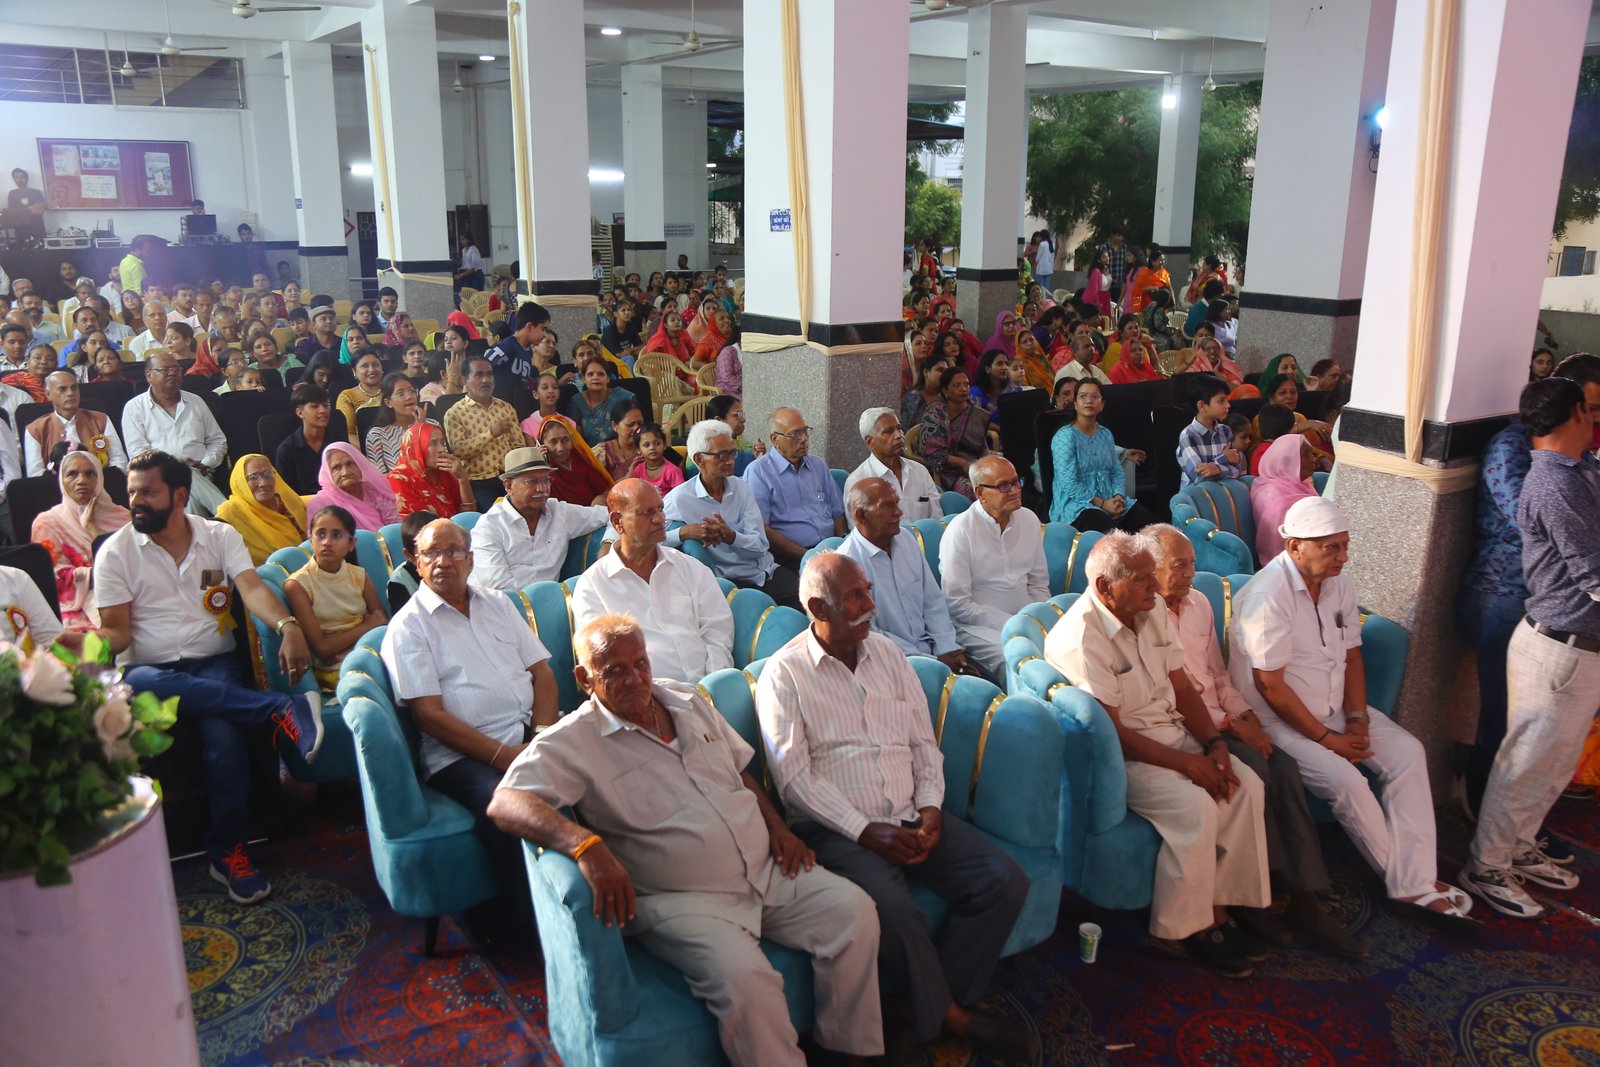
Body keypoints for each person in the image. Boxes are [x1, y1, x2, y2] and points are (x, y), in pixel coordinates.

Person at [489, 613, 884, 1067]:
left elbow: (738, 771)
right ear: (584, 678)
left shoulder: (685, 699)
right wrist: (584, 844)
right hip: (684, 901)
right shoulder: (573, 741)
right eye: (614, 670)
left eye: (640, 663)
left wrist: (777, 827)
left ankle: (847, 1053)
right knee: (748, 982)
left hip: (765, 869)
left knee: (855, 913)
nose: (634, 679)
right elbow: (506, 802)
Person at [757, 553, 1033, 1062]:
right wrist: (865, 831)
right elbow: (794, 781)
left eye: (868, 590)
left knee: (1004, 880)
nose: (872, 604)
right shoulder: (784, 674)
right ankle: (954, 1019)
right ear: (818, 607)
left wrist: (930, 809)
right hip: (837, 832)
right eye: (856, 596)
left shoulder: (886, 654)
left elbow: (923, 743)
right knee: (895, 913)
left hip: (910, 813)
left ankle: (922, 1005)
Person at [1228, 497, 1475, 925]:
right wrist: (1329, 741)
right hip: (1277, 721)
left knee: (1408, 753)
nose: (1343, 557)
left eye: (1345, 546)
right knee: (1348, 782)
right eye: (1332, 547)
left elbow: (1352, 655)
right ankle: (1407, 885)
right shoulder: (1269, 595)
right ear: (1295, 547)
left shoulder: (1338, 584)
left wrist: (1358, 719)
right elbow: (1271, 687)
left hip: (1336, 708)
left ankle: (1416, 877)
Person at [96, 450, 324, 903]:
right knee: (140, 681)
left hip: (212, 660)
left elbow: (252, 589)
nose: (135, 501)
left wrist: (288, 626)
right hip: (149, 671)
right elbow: (117, 632)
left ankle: (229, 851)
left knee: (225, 736)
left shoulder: (219, 535)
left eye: (148, 492)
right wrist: (88, 644)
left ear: (179, 496)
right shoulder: (115, 553)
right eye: (132, 492)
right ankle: (278, 709)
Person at [1046, 532, 1271, 976]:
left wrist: (1215, 745)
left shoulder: (1149, 612)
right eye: (1142, 579)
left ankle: (1222, 908)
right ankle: (1192, 928)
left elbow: (1182, 686)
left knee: (1246, 785)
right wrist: (1190, 765)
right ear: (1106, 587)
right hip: (1123, 757)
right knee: (1196, 807)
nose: (1155, 587)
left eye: (1154, 575)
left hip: (1173, 733)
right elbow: (1112, 733)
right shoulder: (1081, 637)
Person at [1145, 525, 1365, 957]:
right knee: (1259, 770)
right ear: (1151, 569)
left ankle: (1301, 900)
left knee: (1283, 765)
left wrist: (1242, 713)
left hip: (1222, 716)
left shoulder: (1198, 604)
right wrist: (1227, 722)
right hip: (1186, 725)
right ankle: (1255, 901)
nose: (1190, 573)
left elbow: (1217, 674)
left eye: (1192, 563)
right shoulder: (1144, 613)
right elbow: (1168, 694)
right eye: (1179, 566)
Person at [1460, 377, 1598, 918]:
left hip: (1580, 646)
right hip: (1557, 646)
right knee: (1524, 764)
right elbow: (1592, 573)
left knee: (1553, 765)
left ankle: (1517, 846)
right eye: (1592, 408)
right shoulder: (1552, 482)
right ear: (1575, 413)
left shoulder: (1579, 471)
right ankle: (1486, 864)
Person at [382, 518, 559, 914]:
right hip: (462, 757)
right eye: (431, 553)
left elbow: (542, 673)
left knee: (603, 758)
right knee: (509, 805)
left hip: (528, 734)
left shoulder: (498, 603)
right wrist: (504, 756)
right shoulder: (407, 628)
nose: (443, 561)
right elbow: (428, 716)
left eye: (453, 551)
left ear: (470, 560)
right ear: (415, 562)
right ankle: (529, 920)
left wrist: (540, 735)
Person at [572, 479, 734, 683]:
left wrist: (712, 686)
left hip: (706, 689)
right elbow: (601, 659)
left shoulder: (690, 568)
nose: (659, 519)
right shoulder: (593, 586)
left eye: (660, 509)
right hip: (642, 695)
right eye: (646, 513)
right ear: (617, 521)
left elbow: (718, 630)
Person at [663, 419, 799, 609]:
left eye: (733, 453)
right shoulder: (680, 498)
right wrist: (683, 533)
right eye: (722, 455)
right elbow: (645, 540)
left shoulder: (741, 488)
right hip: (728, 583)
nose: (731, 461)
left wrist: (730, 537)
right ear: (700, 459)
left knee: (815, 601)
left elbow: (761, 545)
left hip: (764, 572)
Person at [837, 478, 965, 670]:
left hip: (935, 652)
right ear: (861, 515)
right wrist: (932, 662)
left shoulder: (906, 539)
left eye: (896, 503)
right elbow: (869, 634)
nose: (898, 512)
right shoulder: (847, 564)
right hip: (891, 664)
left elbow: (933, 601)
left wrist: (947, 648)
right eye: (887, 506)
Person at [939, 455, 1048, 676]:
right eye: (1004, 486)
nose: (1015, 491)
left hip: (1026, 618)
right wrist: (1013, 623)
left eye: (1016, 482)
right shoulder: (960, 531)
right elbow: (958, 604)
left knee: (1067, 649)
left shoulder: (1029, 519)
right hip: (977, 627)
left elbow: (1039, 584)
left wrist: (1036, 620)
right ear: (980, 493)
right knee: (1018, 661)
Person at [468, 446, 607, 589]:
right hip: (500, 602)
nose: (542, 488)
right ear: (508, 486)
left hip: (549, 599)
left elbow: (610, 516)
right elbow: (497, 587)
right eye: (532, 481)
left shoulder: (560, 512)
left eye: (546, 480)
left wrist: (608, 542)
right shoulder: (489, 526)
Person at [283, 505, 388, 690]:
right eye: (320, 534)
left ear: (351, 543)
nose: (327, 542)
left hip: (366, 650)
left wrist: (351, 650)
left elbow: (382, 621)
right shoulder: (298, 584)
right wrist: (367, 626)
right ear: (311, 540)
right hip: (334, 666)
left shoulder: (359, 575)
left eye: (337, 535)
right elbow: (321, 648)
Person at [31, 449, 131, 630]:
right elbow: (52, 578)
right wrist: (104, 574)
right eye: (72, 474)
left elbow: (139, 563)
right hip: (79, 604)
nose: (82, 481)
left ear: (99, 478)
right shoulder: (48, 523)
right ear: (62, 480)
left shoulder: (124, 517)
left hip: (131, 593)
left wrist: (93, 528)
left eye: (90, 473)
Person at [122, 353, 229, 515]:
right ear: (149, 376)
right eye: (165, 369)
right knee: (184, 473)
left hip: (202, 474)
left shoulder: (196, 402)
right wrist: (173, 468)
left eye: (176, 369)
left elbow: (218, 440)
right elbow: (137, 453)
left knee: (189, 500)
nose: (172, 373)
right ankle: (230, 513)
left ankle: (223, 517)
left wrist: (206, 463)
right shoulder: (134, 408)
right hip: (159, 479)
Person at [744, 407, 847, 570]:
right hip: (791, 557)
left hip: (831, 552)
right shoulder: (759, 472)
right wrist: (808, 556)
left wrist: (843, 544)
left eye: (805, 431)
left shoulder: (817, 465)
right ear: (775, 439)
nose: (804, 439)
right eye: (794, 434)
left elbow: (837, 513)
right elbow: (762, 529)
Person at [1049, 379, 1154, 531]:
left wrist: (1118, 497)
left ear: (1102, 404)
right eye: (1083, 396)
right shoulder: (1065, 436)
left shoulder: (1105, 434)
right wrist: (1103, 504)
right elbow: (1068, 483)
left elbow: (1116, 472)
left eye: (1095, 396)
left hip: (1109, 498)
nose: (1089, 401)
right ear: (1075, 403)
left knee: (1154, 528)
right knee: (1115, 537)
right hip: (1077, 504)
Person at [443, 356, 526, 512]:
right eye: (479, 375)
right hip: (479, 481)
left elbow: (518, 445)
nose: (486, 380)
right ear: (464, 380)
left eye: (489, 374)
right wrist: (491, 434)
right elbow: (460, 451)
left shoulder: (506, 408)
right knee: (498, 514)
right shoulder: (454, 413)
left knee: (529, 507)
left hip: (509, 476)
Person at [843, 408, 943, 527]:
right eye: (888, 432)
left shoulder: (919, 471)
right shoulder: (858, 481)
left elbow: (937, 520)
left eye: (899, 428)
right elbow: (860, 531)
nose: (899, 435)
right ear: (870, 442)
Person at [24, 370, 128, 477]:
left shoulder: (101, 419)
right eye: (62, 389)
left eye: (74, 388)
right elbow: (35, 474)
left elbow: (119, 459)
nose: (70, 393)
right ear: (48, 394)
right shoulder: (35, 429)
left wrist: (103, 479)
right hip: (54, 486)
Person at [918, 366, 991, 499]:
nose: (964, 389)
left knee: (1000, 480)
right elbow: (933, 452)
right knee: (974, 489)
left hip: (974, 466)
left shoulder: (974, 412)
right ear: (945, 390)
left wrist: (987, 465)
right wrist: (963, 463)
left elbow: (982, 445)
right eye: (957, 385)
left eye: (966, 384)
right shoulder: (935, 415)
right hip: (946, 471)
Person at [1249, 434, 1318, 563]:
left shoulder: (1301, 486)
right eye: (1306, 455)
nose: (1313, 460)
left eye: (1312, 454)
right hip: (1286, 563)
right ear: (1288, 460)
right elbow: (1280, 542)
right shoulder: (1274, 494)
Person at [305, 442, 401, 534]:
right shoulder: (320, 503)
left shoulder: (375, 490)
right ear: (328, 473)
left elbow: (396, 527)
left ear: (360, 465)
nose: (345, 472)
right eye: (337, 468)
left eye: (350, 464)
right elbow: (319, 539)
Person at [387, 421, 473, 520]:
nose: (441, 449)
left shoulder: (444, 473)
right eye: (433, 443)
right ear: (415, 446)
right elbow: (414, 525)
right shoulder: (398, 479)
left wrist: (463, 479)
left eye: (442, 443)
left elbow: (469, 517)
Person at [1175, 374, 1244, 490]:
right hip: (1197, 495)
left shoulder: (1225, 431)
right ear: (1202, 406)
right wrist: (1223, 459)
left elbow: (1237, 471)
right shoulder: (1188, 435)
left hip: (1222, 491)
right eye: (1221, 401)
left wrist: (1216, 469)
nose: (1228, 405)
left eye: (1227, 400)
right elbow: (1198, 478)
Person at [527, 413, 611, 506]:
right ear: (542, 444)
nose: (560, 448)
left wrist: (598, 501)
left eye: (565, 440)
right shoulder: (544, 469)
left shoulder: (581, 459)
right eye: (553, 442)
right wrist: (537, 463)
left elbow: (605, 491)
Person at [274, 383, 336, 497]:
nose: (323, 410)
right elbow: (286, 492)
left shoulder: (338, 443)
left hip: (337, 501)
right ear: (300, 413)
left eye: (326, 405)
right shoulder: (287, 450)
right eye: (315, 406)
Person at [486, 301, 550, 401]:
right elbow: (483, 366)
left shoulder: (527, 351)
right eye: (543, 329)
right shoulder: (507, 346)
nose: (545, 334)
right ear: (529, 327)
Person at [363, 373, 423, 474]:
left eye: (412, 391)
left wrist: (423, 430)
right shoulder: (377, 435)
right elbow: (380, 477)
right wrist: (415, 435)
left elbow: (442, 464)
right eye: (401, 394)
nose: (409, 397)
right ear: (388, 402)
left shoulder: (432, 425)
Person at [336, 351, 385, 447]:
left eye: (376, 365)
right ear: (354, 371)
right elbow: (348, 433)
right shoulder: (347, 396)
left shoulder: (393, 390)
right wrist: (370, 450)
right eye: (364, 366)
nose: (371, 369)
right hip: (362, 449)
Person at [596, 398, 645, 483]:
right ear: (614, 426)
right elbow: (595, 488)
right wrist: (628, 476)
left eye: (640, 424)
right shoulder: (602, 453)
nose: (637, 429)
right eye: (630, 424)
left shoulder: (649, 449)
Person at [629, 422, 683, 495]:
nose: (652, 448)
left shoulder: (672, 471)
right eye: (646, 445)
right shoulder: (638, 471)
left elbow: (681, 495)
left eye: (657, 443)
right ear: (638, 449)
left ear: (664, 444)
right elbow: (634, 493)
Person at [454, 232, 486, 298]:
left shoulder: (473, 249)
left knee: (476, 296)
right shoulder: (463, 250)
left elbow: (473, 268)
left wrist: (461, 275)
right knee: (467, 297)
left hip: (476, 276)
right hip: (467, 276)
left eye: (463, 239)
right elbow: (464, 264)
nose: (461, 241)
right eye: (460, 239)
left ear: (468, 240)